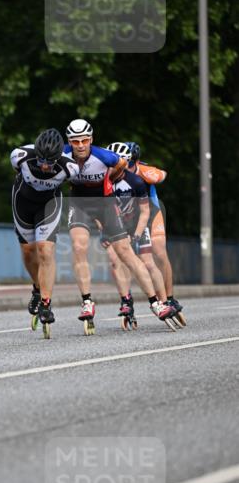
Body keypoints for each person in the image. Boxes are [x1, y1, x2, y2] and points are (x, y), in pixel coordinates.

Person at [64, 118, 177, 332]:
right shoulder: (62, 154)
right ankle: (87, 301)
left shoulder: (104, 156)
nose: (80, 145)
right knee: (79, 247)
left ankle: (156, 302)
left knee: (126, 253)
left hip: (104, 203)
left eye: (84, 140)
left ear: (91, 139)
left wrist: (107, 183)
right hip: (79, 204)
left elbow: (122, 166)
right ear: (69, 141)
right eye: (75, 141)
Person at [10, 128, 80, 335]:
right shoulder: (20, 155)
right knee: (28, 251)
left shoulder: (70, 167)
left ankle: (46, 304)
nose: (45, 165)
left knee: (45, 250)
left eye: (51, 161)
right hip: (22, 202)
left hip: (48, 205)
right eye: (41, 160)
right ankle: (37, 288)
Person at [103, 142, 172, 328]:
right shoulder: (102, 181)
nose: (113, 169)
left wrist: (138, 233)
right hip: (119, 223)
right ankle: (126, 301)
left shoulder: (138, 179)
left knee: (150, 260)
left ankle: (166, 301)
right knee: (115, 259)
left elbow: (145, 212)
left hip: (142, 220)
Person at [125, 141, 185, 321]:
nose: (126, 168)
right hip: (129, 217)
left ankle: (170, 298)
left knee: (158, 251)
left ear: (136, 161)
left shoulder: (143, 170)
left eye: (130, 164)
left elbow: (163, 174)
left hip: (151, 213)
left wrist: (153, 175)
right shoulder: (114, 172)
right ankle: (127, 301)